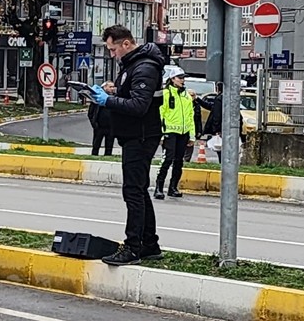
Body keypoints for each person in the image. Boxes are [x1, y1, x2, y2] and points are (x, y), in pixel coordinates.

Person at [88, 24, 165, 266]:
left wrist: (109, 100)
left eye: (113, 49)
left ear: (126, 44)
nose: (112, 55)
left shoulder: (145, 67)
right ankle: (150, 244)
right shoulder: (133, 65)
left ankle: (133, 247)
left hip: (140, 136)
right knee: (139, 190)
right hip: (135, 135)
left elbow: (138, 106)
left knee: (133, 191)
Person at [154, 66, 195, 200]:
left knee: (179, 161)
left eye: (183, 78)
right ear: (172, 79)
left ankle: (173, 187)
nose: (182, 80)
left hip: (183, 132)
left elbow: (191, 116)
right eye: (180, 78)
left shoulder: (187, 96)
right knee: (167, 159)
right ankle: (159, 187)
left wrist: (192, 135)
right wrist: (160, 133)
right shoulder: (166, 94)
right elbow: (160, 114)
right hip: (169, 132)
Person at [193, 81, 224, 162]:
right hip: (223, 127)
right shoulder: (225, 98)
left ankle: (222, 162)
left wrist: (216, 129)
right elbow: (210, 106)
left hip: (221, 128)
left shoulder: (219, 99)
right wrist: (197, 99)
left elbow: (217, 115)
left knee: (220, 147)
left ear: (218, 89)